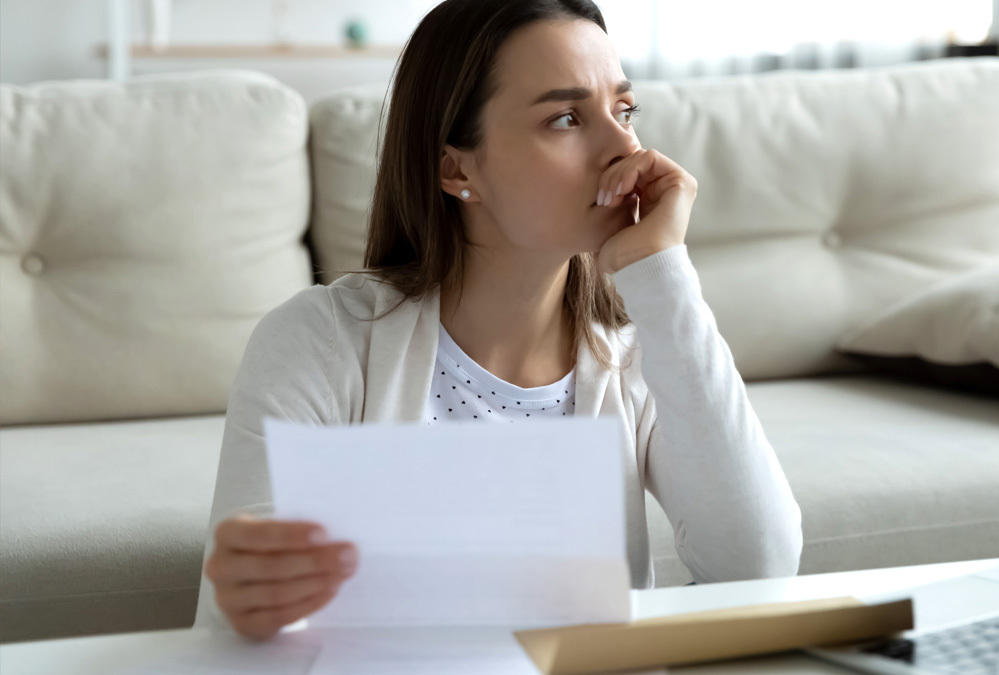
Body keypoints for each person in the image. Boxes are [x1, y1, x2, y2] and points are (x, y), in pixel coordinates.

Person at [194, 0, 802, 641]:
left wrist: (660, 273)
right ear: (458, 169)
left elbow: (758, 567)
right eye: (566, 118)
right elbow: (241, 630)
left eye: (625, 110)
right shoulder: (317, 343)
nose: (626, 147)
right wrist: (254, 597)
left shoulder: (643, 348)